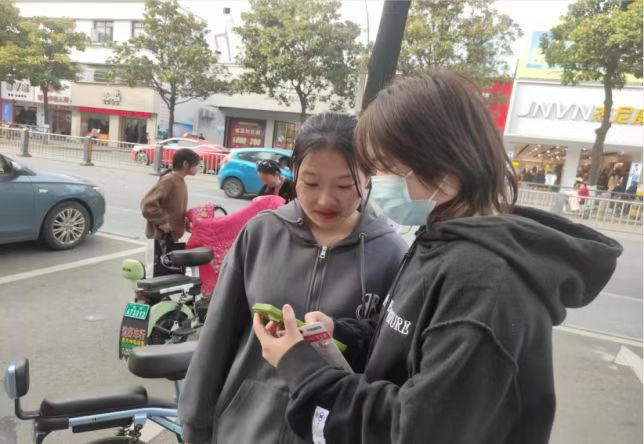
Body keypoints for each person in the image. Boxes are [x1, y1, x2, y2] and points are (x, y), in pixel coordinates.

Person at [252, 72, 623, 444]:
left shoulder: (483, 284)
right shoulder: (439, 239)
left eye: (386, 167)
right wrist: (341, 335)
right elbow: (411, 342)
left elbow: (417, 429)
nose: (378, 181)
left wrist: (300, 366)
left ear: (444, 162)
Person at [179, 112, 408, 444]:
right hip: (244, 431)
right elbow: (218, 335)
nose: (325, 199)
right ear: (294, 172)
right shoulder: (260, 234)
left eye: (345, 185)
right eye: (311, 183)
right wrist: (195, 424)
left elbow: (388, 363)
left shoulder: (391, 252)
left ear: (368, 178)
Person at [140, 148, 200, 277]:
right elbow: (147, 205)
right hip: (160, 239)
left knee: (167, 278)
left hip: (170, 238)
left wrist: (184, 222)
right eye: (196, 164)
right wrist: (162, 221)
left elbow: (173, 207)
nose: (198, 167)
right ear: (185, 164)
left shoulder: (179, 180)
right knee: (156, 277)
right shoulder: (169, 180)